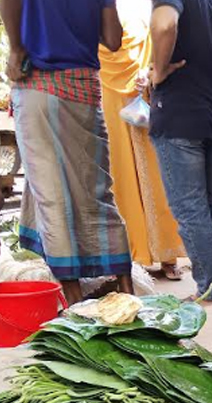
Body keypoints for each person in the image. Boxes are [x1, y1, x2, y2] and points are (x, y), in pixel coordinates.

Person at [1, 0, 134, 304]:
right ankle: (126, 291)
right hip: (85, 90)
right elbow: (113, 40)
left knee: (52, 197)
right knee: (97, 192)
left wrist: (17, 49)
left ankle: (74, 305)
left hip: (38, 86)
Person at [146, 0, 212, 302]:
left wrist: (157, 72)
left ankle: (211, 291)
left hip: (180, 115)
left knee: (191, 209)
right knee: (206, 206)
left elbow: (164, 24)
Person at [99, 0, 186, 280]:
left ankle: (167, 256)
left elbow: (160, 48)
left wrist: (149, 73)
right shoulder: (97, 19)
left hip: (143, 104)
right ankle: (129, 257)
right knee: (119, 176)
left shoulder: (141, 13)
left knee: (157, 179)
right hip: (109, 103)